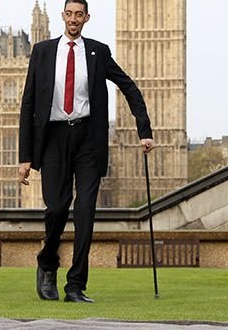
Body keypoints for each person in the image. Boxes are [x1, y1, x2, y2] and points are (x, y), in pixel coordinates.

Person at [18, 0, 154, 303]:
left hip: (88, 139)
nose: (74, 19)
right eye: (70, 14)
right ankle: (47, 264)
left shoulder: (98, 51)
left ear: (86, 18)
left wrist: (144, 130)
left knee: (85, 213)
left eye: (79, 14)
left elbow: (128, 86)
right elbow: (27, 105)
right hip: (53, 137)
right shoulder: (42, 52)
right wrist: (25, 157)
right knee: (56, 208)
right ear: (63, 16)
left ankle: (75, 285)